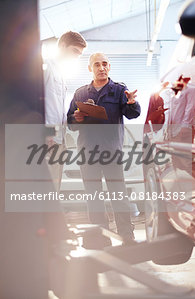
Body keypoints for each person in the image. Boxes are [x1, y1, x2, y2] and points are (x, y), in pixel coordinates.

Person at [67, 52, 141, 246]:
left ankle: (127, 235)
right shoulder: (80, 93)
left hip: (111, 152)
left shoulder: (119, 91)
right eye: (97, 65)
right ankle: (99, 237)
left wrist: (132, 102)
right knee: (94, 197)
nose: (101, 68)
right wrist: (78, 118)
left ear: (109, 67)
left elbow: (132, 114)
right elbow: (71, 122)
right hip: (88, 151)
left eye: (105, 64)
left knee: (119, 195)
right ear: (90, 68)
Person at [44, 31, 86, 190]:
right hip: (48, 138)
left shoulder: (61, 74)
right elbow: (38, 102)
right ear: (62, 46)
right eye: (74, 51)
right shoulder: (46, 67)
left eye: (79, 54)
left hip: (59, 140)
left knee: (54, 188)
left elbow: (57, 107)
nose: (76, 56)